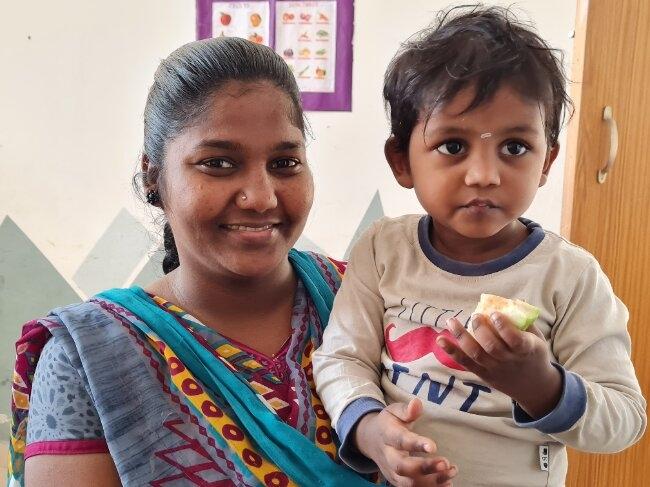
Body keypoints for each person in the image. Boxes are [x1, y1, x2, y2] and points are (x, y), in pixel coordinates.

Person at [7, 37, 457, 487]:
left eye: (284, 162)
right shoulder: (88, 357)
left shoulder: (372, 299)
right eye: (218, 163)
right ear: (153, 176)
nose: (261, 197)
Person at [312, 6, 647, 487]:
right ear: (402, 161)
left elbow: (625, 420)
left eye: (514, 147)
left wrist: (543, 387)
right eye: (452, 146)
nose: (484, 175)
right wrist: (368, 430)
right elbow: (341, 358)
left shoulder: (568, 275)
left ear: (547, 161)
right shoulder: (383, 249)